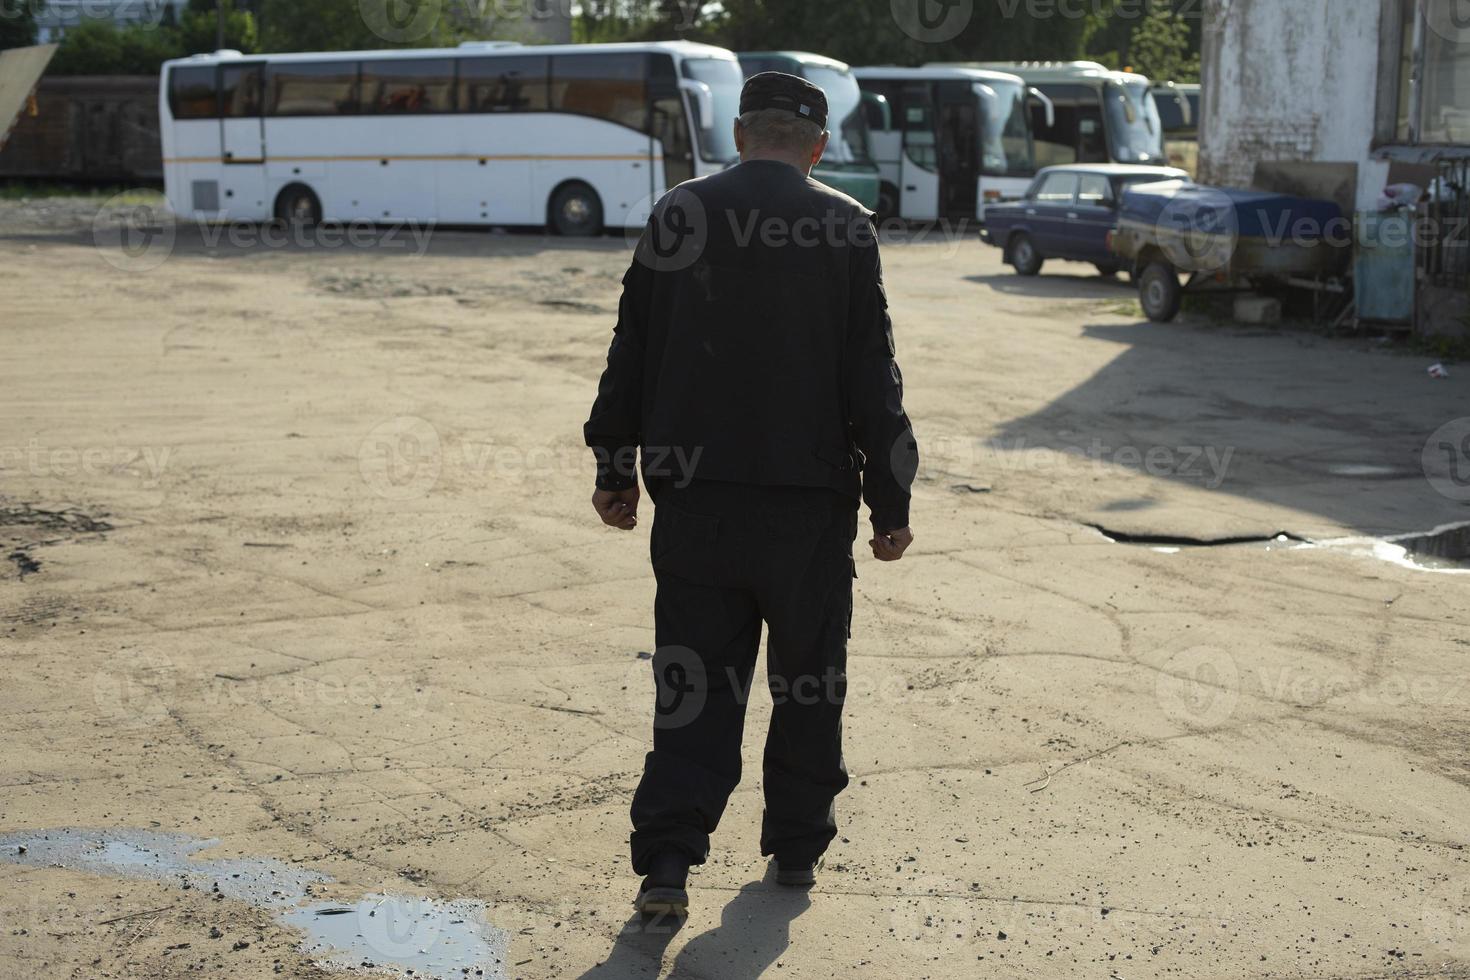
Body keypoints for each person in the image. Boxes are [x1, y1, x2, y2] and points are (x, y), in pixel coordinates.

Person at [583, 71, 918, 917]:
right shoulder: (845, 226)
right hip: (806, 511)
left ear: (740, 136)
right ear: (818, 147)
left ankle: (667, 865)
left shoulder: (679, 213)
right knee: (809, 681)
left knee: (693, 684)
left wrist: (613, 470)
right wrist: (891, 501)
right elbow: (871, 377)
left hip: (694, 504)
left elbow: (632, 346)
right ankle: (797, 851)